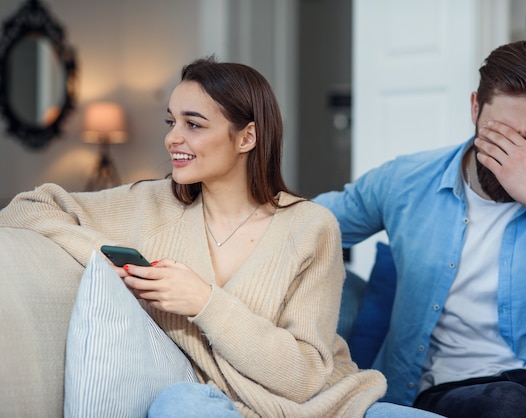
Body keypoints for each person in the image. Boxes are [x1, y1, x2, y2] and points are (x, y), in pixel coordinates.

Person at [0, 57, 442, 418]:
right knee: (179, 406)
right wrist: (112, 261)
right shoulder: (148, 204)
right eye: (171, 121)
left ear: (247, 136)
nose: (174, 137)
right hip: (212, 405)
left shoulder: (311, 226)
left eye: (194, 124)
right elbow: (26, 208)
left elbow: (305, 376)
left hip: (324, 405)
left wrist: (203, 302)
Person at [314, 40, 526, 417]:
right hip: (453, 388)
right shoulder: (406, 180)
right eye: (500, 134)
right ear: (475, 108)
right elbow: (304, 225)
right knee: (506, 404)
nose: (513, 157)